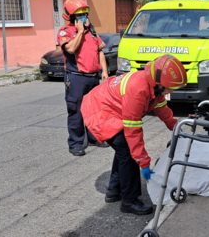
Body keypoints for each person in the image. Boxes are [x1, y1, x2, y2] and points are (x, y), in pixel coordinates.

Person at [81, 54, 188, 216]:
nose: (171, 91)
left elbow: (160, 107)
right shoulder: (137, 90)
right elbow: (133, 131)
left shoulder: (153, 85)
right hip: (100, 113)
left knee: (123, 151)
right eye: (170, 88)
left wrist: (174, 126)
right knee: (129, 153)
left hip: (108, 107)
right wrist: (143, 161)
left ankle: (114, 190)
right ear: (159, 83)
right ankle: (129, 201)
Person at [57, 0, 109, 156]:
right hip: (77, 78)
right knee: (76, 111)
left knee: (94, 110)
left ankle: (94, 137)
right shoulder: (65, 32)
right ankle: (76, 143)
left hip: (94, 77)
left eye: (85, 14)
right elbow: (71, 49)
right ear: (71, 17)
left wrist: (104, 71)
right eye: (80, 15)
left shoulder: (92, 32)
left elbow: (100, 51)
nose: (84, 18)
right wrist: (79, 32)